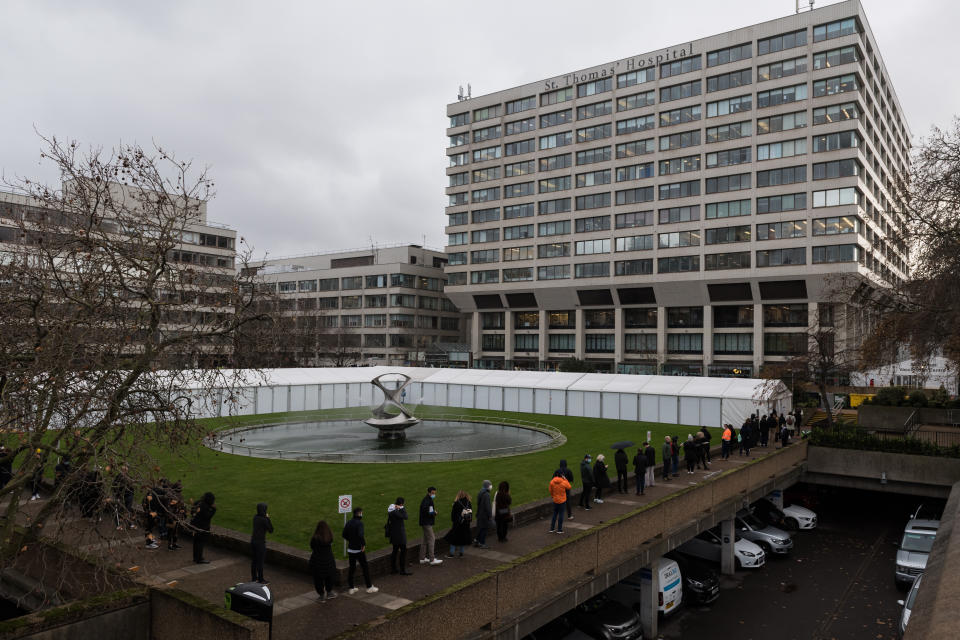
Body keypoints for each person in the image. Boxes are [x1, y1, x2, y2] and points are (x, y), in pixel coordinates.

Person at [342, 507, 378, 594]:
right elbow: (360, 535)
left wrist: (351, 540)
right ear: (359, 513)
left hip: (351, 549)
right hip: (359, 550)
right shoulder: (360, 523)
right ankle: (369, 587)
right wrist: (363, 545)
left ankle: (351, 588)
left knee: (352, 568)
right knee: (365, 567)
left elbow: (344, 534)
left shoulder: (348, 523)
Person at [310, 520, 338, 601]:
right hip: (329, 561)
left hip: (317, 562)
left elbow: (312, 547)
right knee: (329, 577)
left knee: (318, 579)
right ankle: (329, 592)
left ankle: (321, 595)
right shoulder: (330, 537)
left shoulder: (315, 539)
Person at [418, 487, 443, 566]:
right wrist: (434, 513)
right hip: (426, 523)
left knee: (425, 540)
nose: (434, 494)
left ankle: (422, 558)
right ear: (429, 492)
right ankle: (432, 559)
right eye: (432, 493)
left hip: (425, 522)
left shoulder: (427, 499)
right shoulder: (427, 501)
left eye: (434, 493)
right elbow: (426, 512)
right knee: (432, 539)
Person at [444, 491, 473, 558]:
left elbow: (453, 515)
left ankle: (451, 554)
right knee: (462, 538)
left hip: (457, 524)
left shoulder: (457, 503)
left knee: (453, 539)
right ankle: (461, 553)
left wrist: (454, 521)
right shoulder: (469, 502)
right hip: (466, 524)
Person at [250, 502, 273, 584]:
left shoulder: (255, 517)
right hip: (260, 543)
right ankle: (261, 579)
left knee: (254, 561)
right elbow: (271, 530)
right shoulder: (264, 519)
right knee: (260, 561)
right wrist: (268, 518)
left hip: (253, 541)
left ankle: (254, 578)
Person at [190, 492, 216, 564]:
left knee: (196, 542)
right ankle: (199, 558)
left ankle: (196, 557)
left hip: (195, 525)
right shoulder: (205, 506)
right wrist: (214, 509)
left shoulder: (199, 503)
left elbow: (192, 511)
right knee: (200, 543)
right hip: (202, 527)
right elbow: (207, 516)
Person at [388, 497, 411, 575]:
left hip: (394, 534)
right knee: (403, 551)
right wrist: (402, 508)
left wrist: (399, 508)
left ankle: (393, 569)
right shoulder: (395, 511)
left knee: (395, 551)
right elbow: (405, 516)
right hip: (399, 534)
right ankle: (402, 570)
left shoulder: (391, 509)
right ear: (401, 504)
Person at [475, 480, 494, 549]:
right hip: (484, 515)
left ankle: (477, 541)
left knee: (480, 528)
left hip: (480, 513)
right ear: (487, 486)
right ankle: (482, 543)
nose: (491, 486)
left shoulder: (481, 492)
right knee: (484, 529)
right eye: (490, 485)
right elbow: (488, 507)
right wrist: (490, 516)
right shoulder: (487, 494)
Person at [166, 481, 185, 550]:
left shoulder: (180, 495)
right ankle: (169, 545)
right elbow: (169, 508)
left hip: (178, 516)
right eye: (179, 488)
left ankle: (174, 543)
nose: (181, 489)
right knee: (171, 531)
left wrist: (183, 512)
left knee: (176, 531)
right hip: (172, 517)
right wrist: (171, 518)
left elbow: (182, 505)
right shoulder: (172, 496)